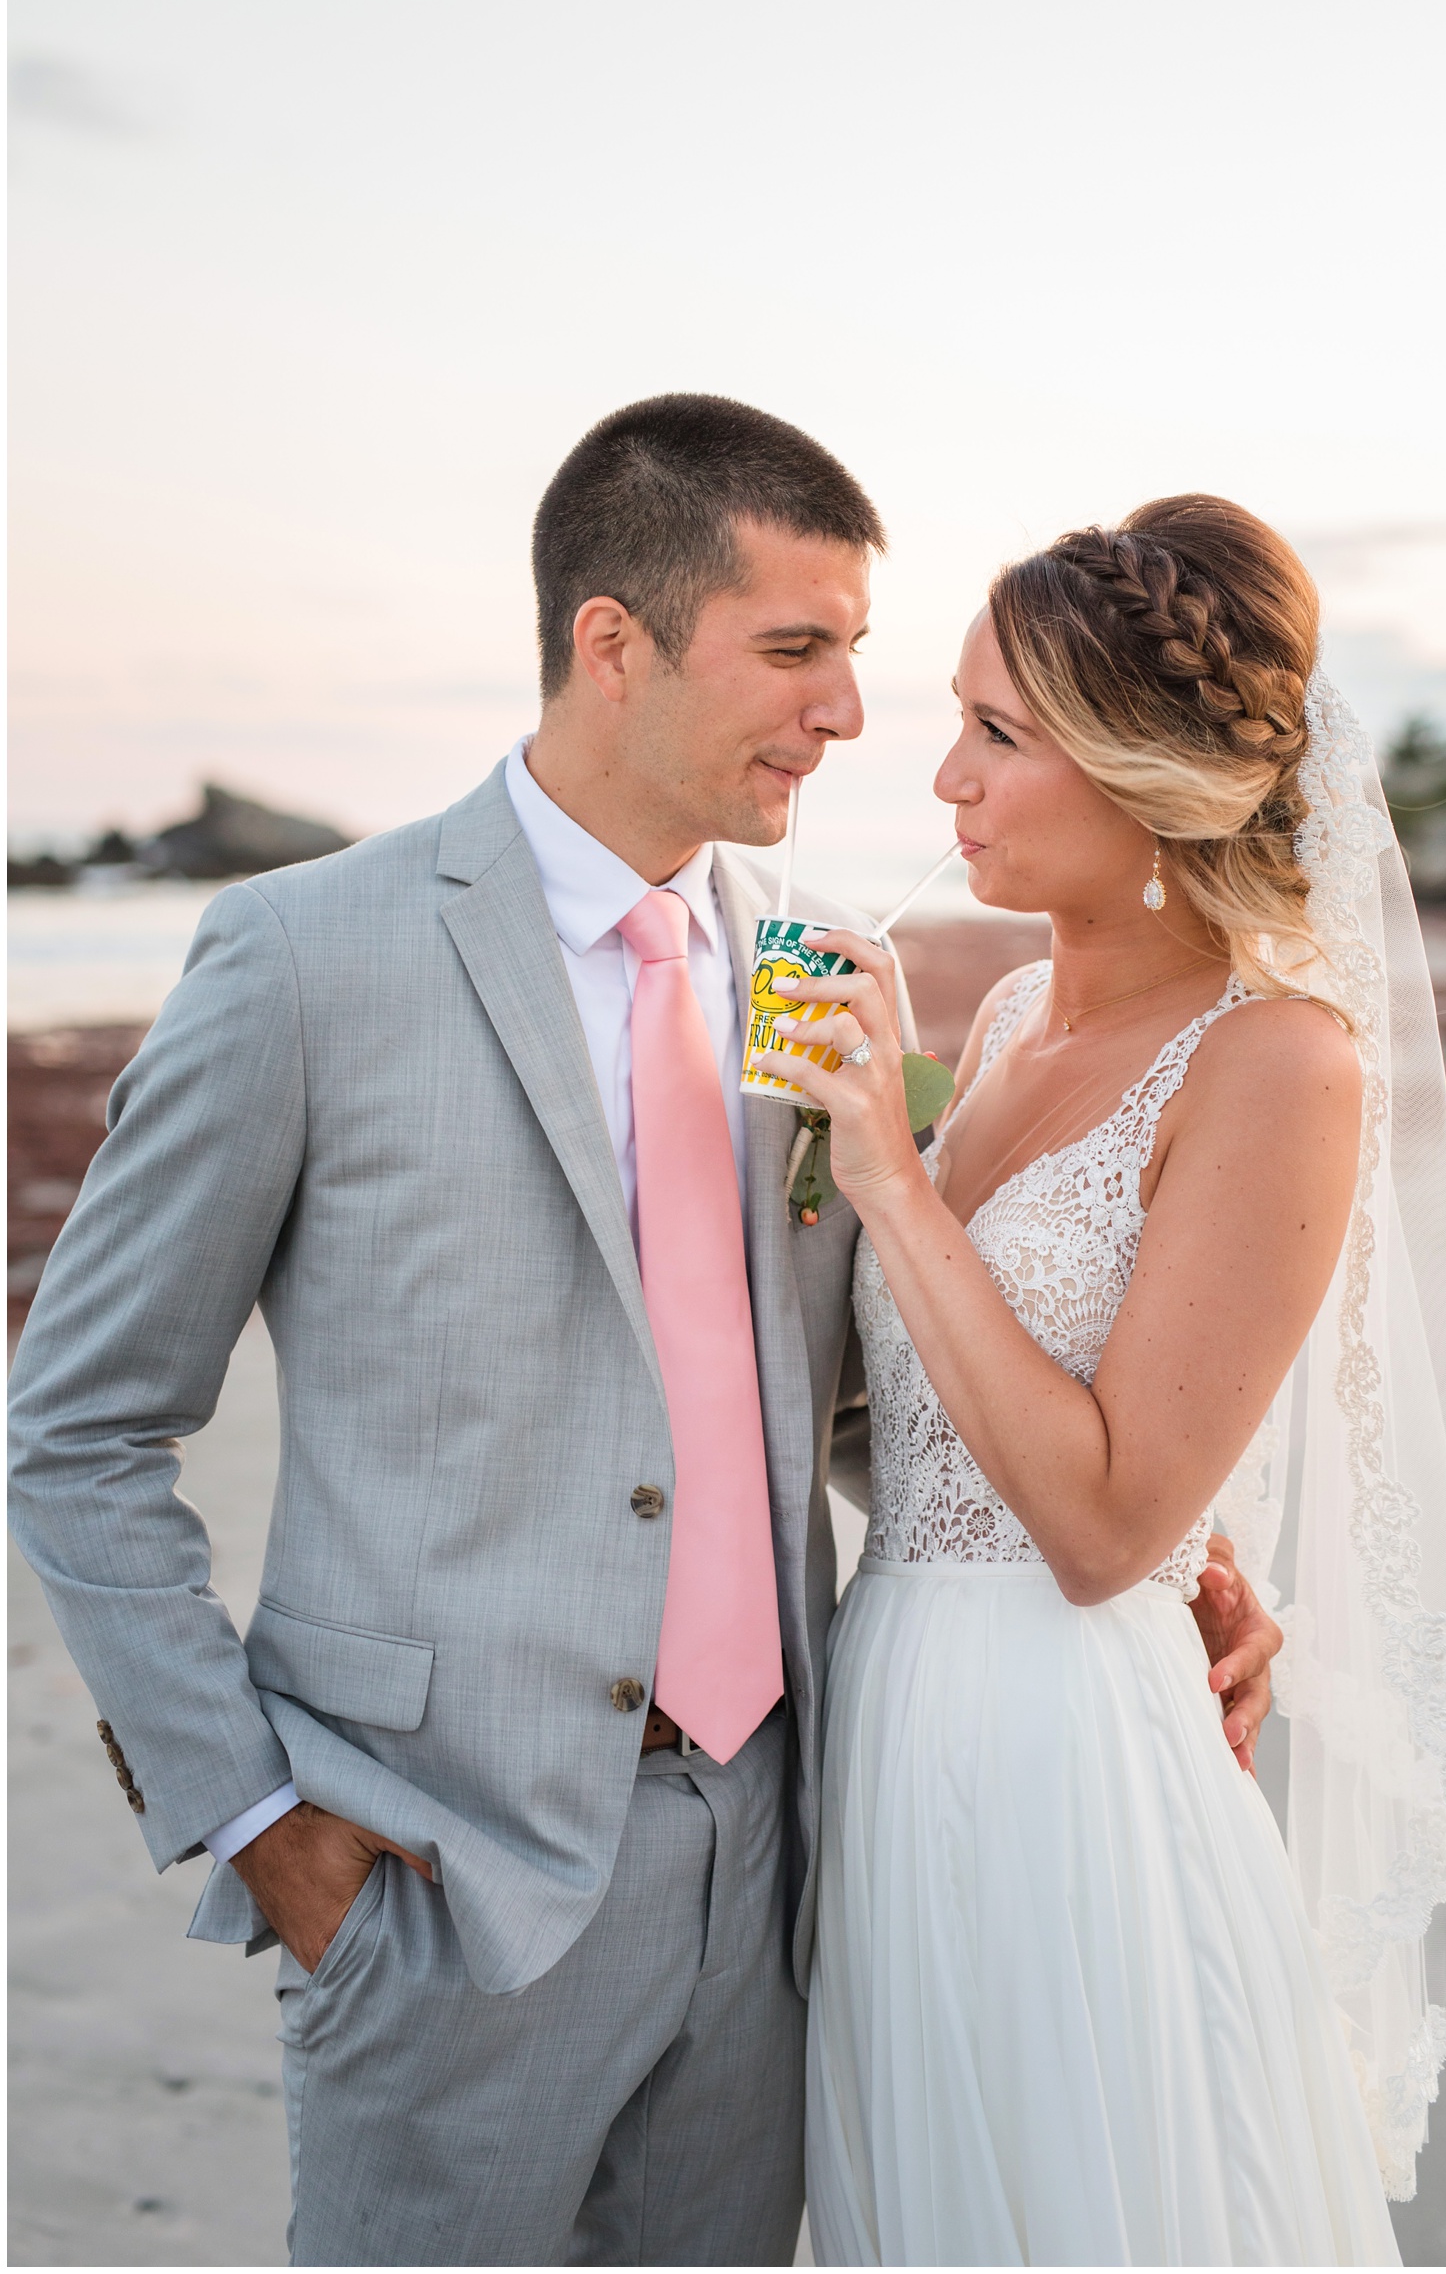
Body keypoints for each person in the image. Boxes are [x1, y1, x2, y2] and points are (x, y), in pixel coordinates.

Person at [9, 405, 1282, 2268]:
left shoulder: (816, 959)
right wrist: (256, 1811)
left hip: (781, 1867)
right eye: (797, 649)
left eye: (857, 650)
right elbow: (78, 1428)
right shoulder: (303, 961)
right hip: (435, 1879)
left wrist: (1172, 1555)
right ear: (613, 643)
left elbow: (855, 1380)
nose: (850, 714)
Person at [753, 497, 1446, 2266]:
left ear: (1149, 777)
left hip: (1065, 1749)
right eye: (958, 718)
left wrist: (887, 1169)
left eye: (998, 733)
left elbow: (1105, 1524)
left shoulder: (1278, 1063)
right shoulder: (1022, 1018)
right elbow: (955, 1434)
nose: (941, 776)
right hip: (891, 1707)